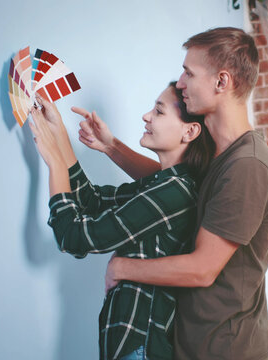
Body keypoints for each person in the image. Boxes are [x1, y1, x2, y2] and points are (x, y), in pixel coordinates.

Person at [80, 27, 268, 359]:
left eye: (189, 72)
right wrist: (111, 147)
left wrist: (122, 267)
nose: (181, 82)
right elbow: (174, 184)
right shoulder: (220, 154)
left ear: (221, 82)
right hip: (193, 344)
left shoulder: (248, 166)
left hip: (226, 351)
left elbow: (202, 268)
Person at [28, 81, 215, 360]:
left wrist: (55, 162)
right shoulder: (164, 185)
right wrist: (60, 136)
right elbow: (92, 202)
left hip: (139, 349)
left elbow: (74, 237)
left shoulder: (174, 193)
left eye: (159, 111)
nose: (147, 116)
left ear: (190, 131)